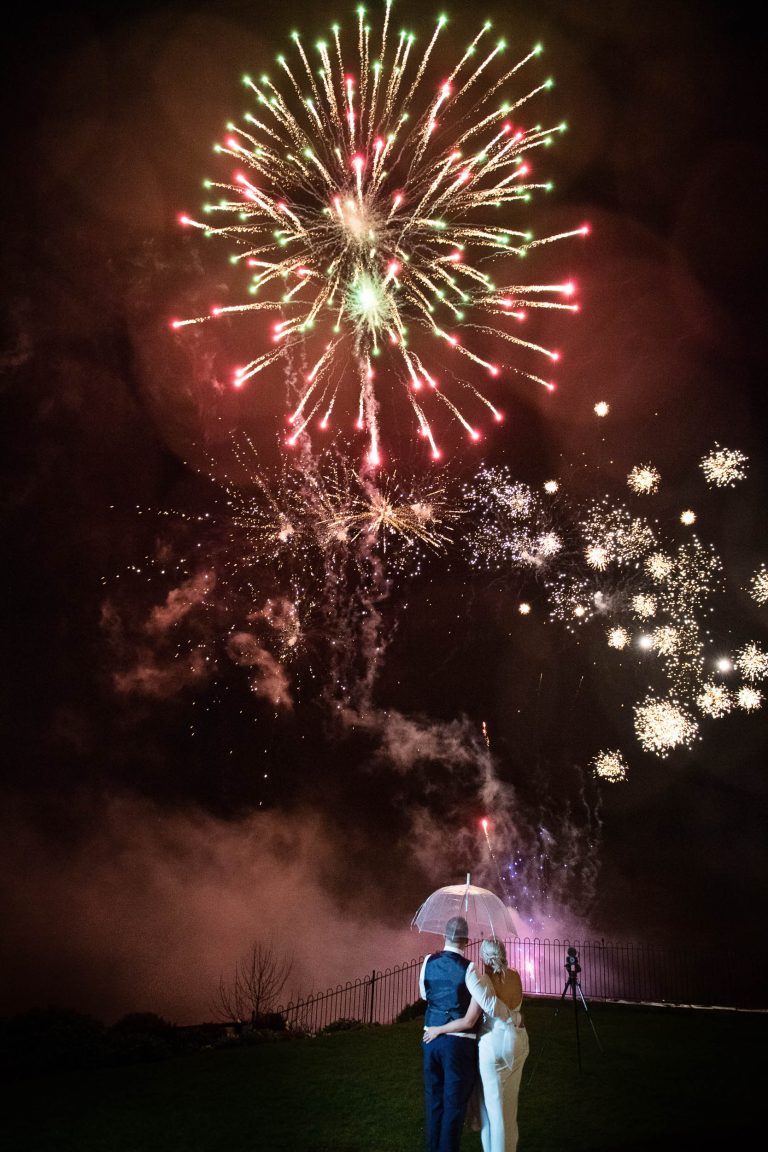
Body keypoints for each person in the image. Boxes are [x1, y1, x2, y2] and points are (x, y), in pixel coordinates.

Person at [424, 937, 528, 1152]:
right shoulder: (516, 976)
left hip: (494, 1044)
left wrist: (439, 1029)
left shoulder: (483, 982)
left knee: (492, 1115)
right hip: (519, 1041)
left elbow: (469, 1020)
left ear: (483, 957)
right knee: (510, 1110)